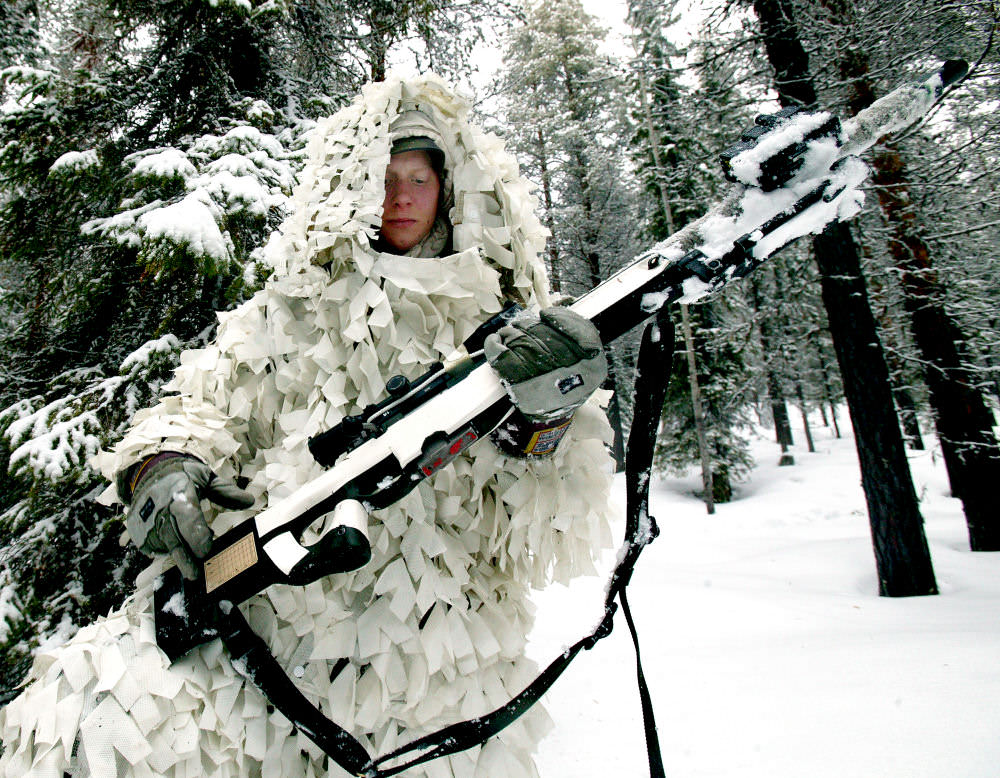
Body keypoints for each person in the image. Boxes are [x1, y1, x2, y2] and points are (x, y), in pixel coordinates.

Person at [0, 72, 618, 777]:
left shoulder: (512, 331)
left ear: (450, 189)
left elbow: (554, 531)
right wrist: (164, 464)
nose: (401, 195)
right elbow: (205, 404)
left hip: (440, 669)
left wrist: (548, 418)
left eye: (418, 176)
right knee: (81, 722)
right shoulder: (293, 308)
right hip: (269, 625)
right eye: (383, 176)